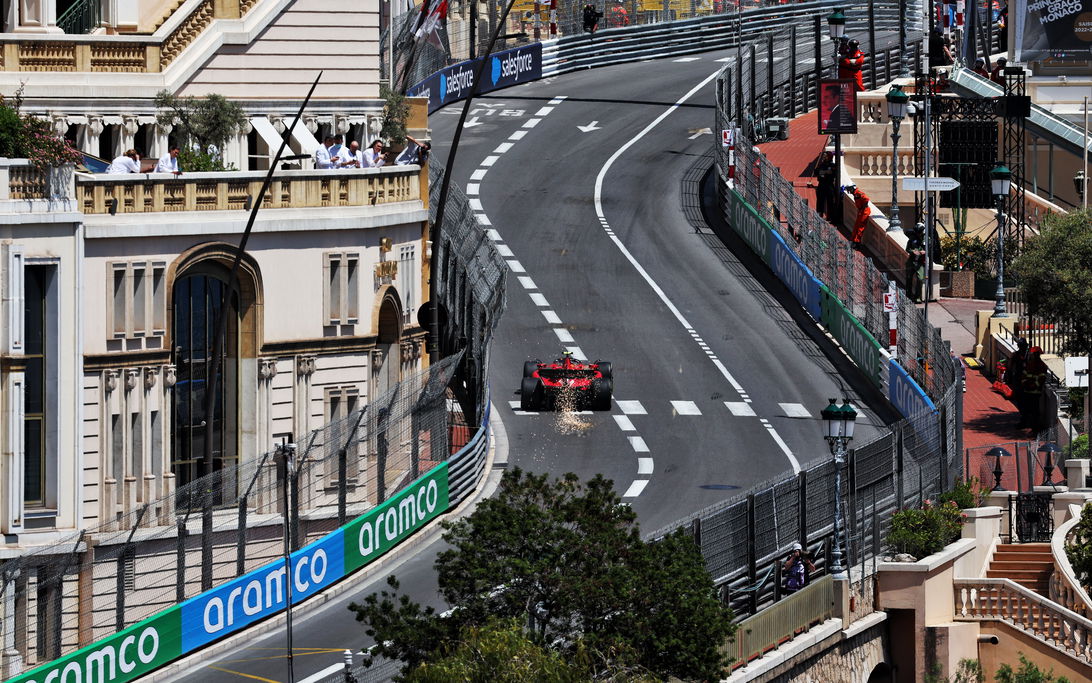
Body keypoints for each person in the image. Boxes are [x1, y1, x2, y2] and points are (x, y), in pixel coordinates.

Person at [1020, 346, 1047, 432]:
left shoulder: (1041, 365)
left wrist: (1032, 386)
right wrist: (1026, 384)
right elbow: (1024, 375)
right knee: (1026, 410)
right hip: (1029, 391)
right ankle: (1026, 425)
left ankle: (1035, 428)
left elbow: (1042, 378)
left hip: (1034, 392)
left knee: (1034, 411)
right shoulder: (1029, 364)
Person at [1004, 337, 1029, 424]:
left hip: (1027, 382)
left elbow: (1009, 367)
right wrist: (1009, 378)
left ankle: (1025, 417)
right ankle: (1023, 417)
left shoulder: (1028, 356)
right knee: (1020, 399)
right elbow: (1009, 367)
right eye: (1021, 346)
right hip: (1019, 381)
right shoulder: (1016, 355)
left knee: (1025, 400)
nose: (1022, 348)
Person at [814, 151, 837, 220]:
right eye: (823, 156)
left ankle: (830, 217)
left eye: (825, 156)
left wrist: (824, 172)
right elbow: (816, 172)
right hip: (821, 184)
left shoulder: (832, 165)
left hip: (829, 185)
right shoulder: (821, 164)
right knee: (820, 200)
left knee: (830, 201)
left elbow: (832, 173)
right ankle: (819, 215)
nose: (824, 157)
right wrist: (825, 172)